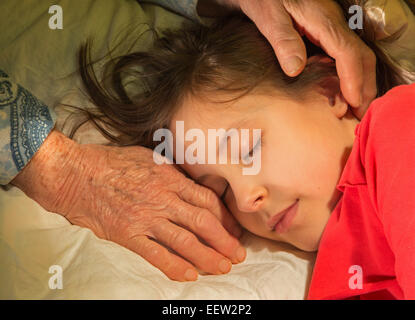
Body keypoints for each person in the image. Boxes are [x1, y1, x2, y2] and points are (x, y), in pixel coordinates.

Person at [1, 0, 377, 282]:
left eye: (249, 148)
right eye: (221, 190)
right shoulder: (337, 269)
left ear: (329, 91)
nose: (246, 199)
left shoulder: (398, 131)